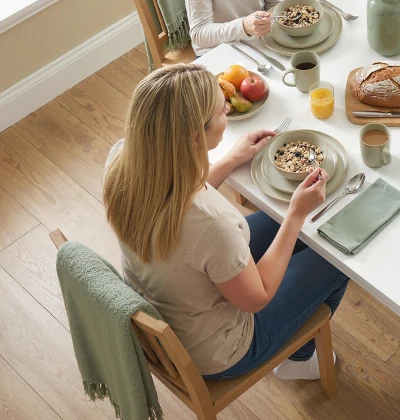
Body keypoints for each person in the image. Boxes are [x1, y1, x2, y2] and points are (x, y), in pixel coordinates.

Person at [103, 63, 348, 381]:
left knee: (289, 226)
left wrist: (231, 160)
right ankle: (298, 361)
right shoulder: (210, 224)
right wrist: (296, 214)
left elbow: (176, 200)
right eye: (222, 112)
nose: (227, 116)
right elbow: (256, 298)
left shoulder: (122, 161)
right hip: (221, 350)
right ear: (194, 136)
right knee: (336, 256)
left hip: (174, 303)